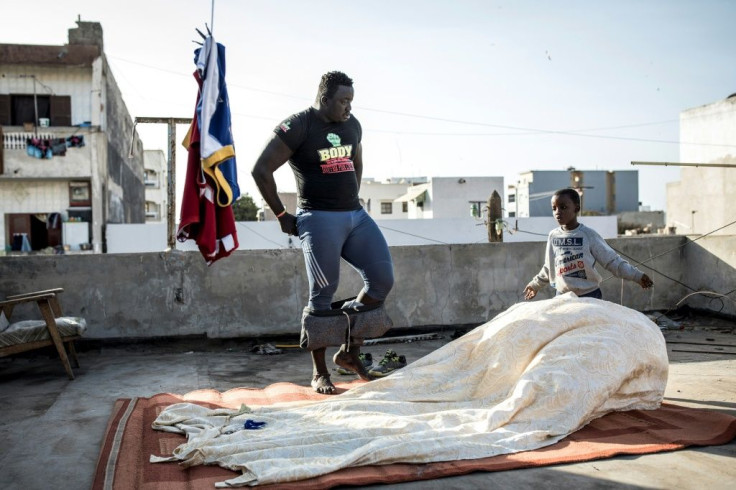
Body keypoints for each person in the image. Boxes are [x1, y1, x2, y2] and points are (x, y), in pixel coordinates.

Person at [251, 71, 394, 394]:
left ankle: (349, 352)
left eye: (351, 101)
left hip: (354, 215)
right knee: (323, 295)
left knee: (382, 280)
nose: (348, 108)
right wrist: (280, 214)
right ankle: (319, 373)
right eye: (342, 101)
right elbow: (260, 170)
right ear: (324, 99)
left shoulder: (352, 125)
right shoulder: (299, 125)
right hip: (318, 218)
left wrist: (352, 200)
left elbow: (357, 163)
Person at [524, 188, 653, 300]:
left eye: (563, 207)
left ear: (577, 208)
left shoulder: (588, 235)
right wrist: (535, 285)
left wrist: (637, 276)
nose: (558, 212)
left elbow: (613, 262)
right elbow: (549, 267)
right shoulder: (553, 236)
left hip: (589, 296)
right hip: (562, 297)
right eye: (554, 208)